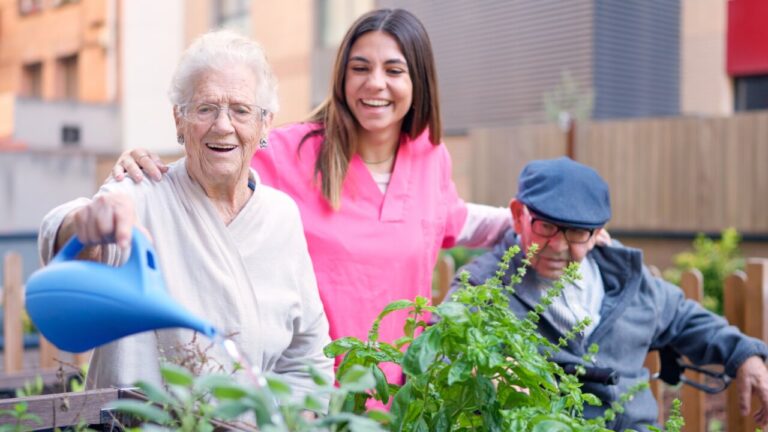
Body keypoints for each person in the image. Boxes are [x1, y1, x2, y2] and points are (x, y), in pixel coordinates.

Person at [107, 9, 515, 383]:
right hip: (307, 394)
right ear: (341, 77)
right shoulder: (290, 150)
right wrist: (144, 166)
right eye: (360, 68)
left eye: (394, 70)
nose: (375, 83)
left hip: (402, 397)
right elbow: (208, 168)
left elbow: (459, 221)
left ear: (418, 81)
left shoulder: (429, 155)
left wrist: (532, 219)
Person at [38, 31, 333, 399]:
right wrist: (83, 226)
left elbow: (308, 355)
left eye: (241, 110)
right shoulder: (139, 195)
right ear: (179, 119)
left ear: (265, 123)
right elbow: (76, 251)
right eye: (205, 108)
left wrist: (291, 419)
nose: (223, 125)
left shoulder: (281, 216)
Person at [450, 157, 768, 431]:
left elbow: (683, 317)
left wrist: (744, 354)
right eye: (545, 226)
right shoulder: (481, 287)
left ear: (598, 232)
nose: (558, 246)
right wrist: (485, 369)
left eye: (576, 231)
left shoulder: (623, 275)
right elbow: (442, 349)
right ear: (519, 214)